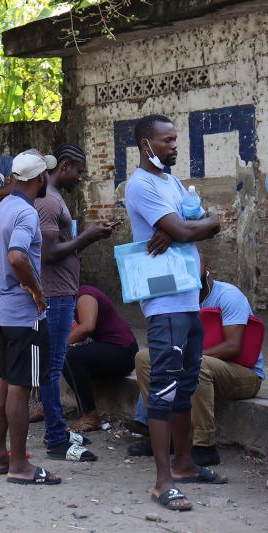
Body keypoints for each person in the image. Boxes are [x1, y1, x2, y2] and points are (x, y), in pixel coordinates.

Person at [124, 114, 223, 511]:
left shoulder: (172, 182)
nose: (174, 146)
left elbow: (190, 223)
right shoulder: (141, 184)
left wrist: (193, 224)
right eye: (166, 141)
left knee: (185, 387)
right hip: (164, 300)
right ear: (146, 144)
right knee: (162, 389)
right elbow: (188, 229)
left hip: (187, 297)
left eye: (175, 140)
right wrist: (198, 226)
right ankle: (162, 481)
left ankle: (185, 465)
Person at [0, 150, 61, 485]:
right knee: (20, 388)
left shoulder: (2, 208)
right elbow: (17, 256)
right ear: (39, 178)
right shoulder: (26, 213)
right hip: (25, 314)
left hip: (3, 309)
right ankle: (21, 466)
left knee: (8, 381)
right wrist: (36, 290)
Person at [133, 264, 264, 467]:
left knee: (196, 364)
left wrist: (184, 357)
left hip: (244, 373)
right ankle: (165, 437)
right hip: (201, 365)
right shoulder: (179, 299)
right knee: (144, 358)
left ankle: (204, 446)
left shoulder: (229, 296)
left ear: (208, 272)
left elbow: (233, 347)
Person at [33, 144, 111, 462]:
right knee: (52, 370)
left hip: (61, 293)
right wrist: (88, 237)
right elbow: (49, 253)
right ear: (64, 166)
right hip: (55, 295)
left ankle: (58, 431)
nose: (80, 178)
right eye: (78, 171)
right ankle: (56, 439)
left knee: (51, 368)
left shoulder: (54, 198)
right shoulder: (49, 202)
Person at [62, 285, 139, 432]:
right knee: (67, 356)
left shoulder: (84, 294)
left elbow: (87, 327)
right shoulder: (69, 301)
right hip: (111, 350)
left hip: (123, 351)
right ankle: (49, 406)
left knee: (71, 357)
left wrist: (59, 345)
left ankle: (90, 415)